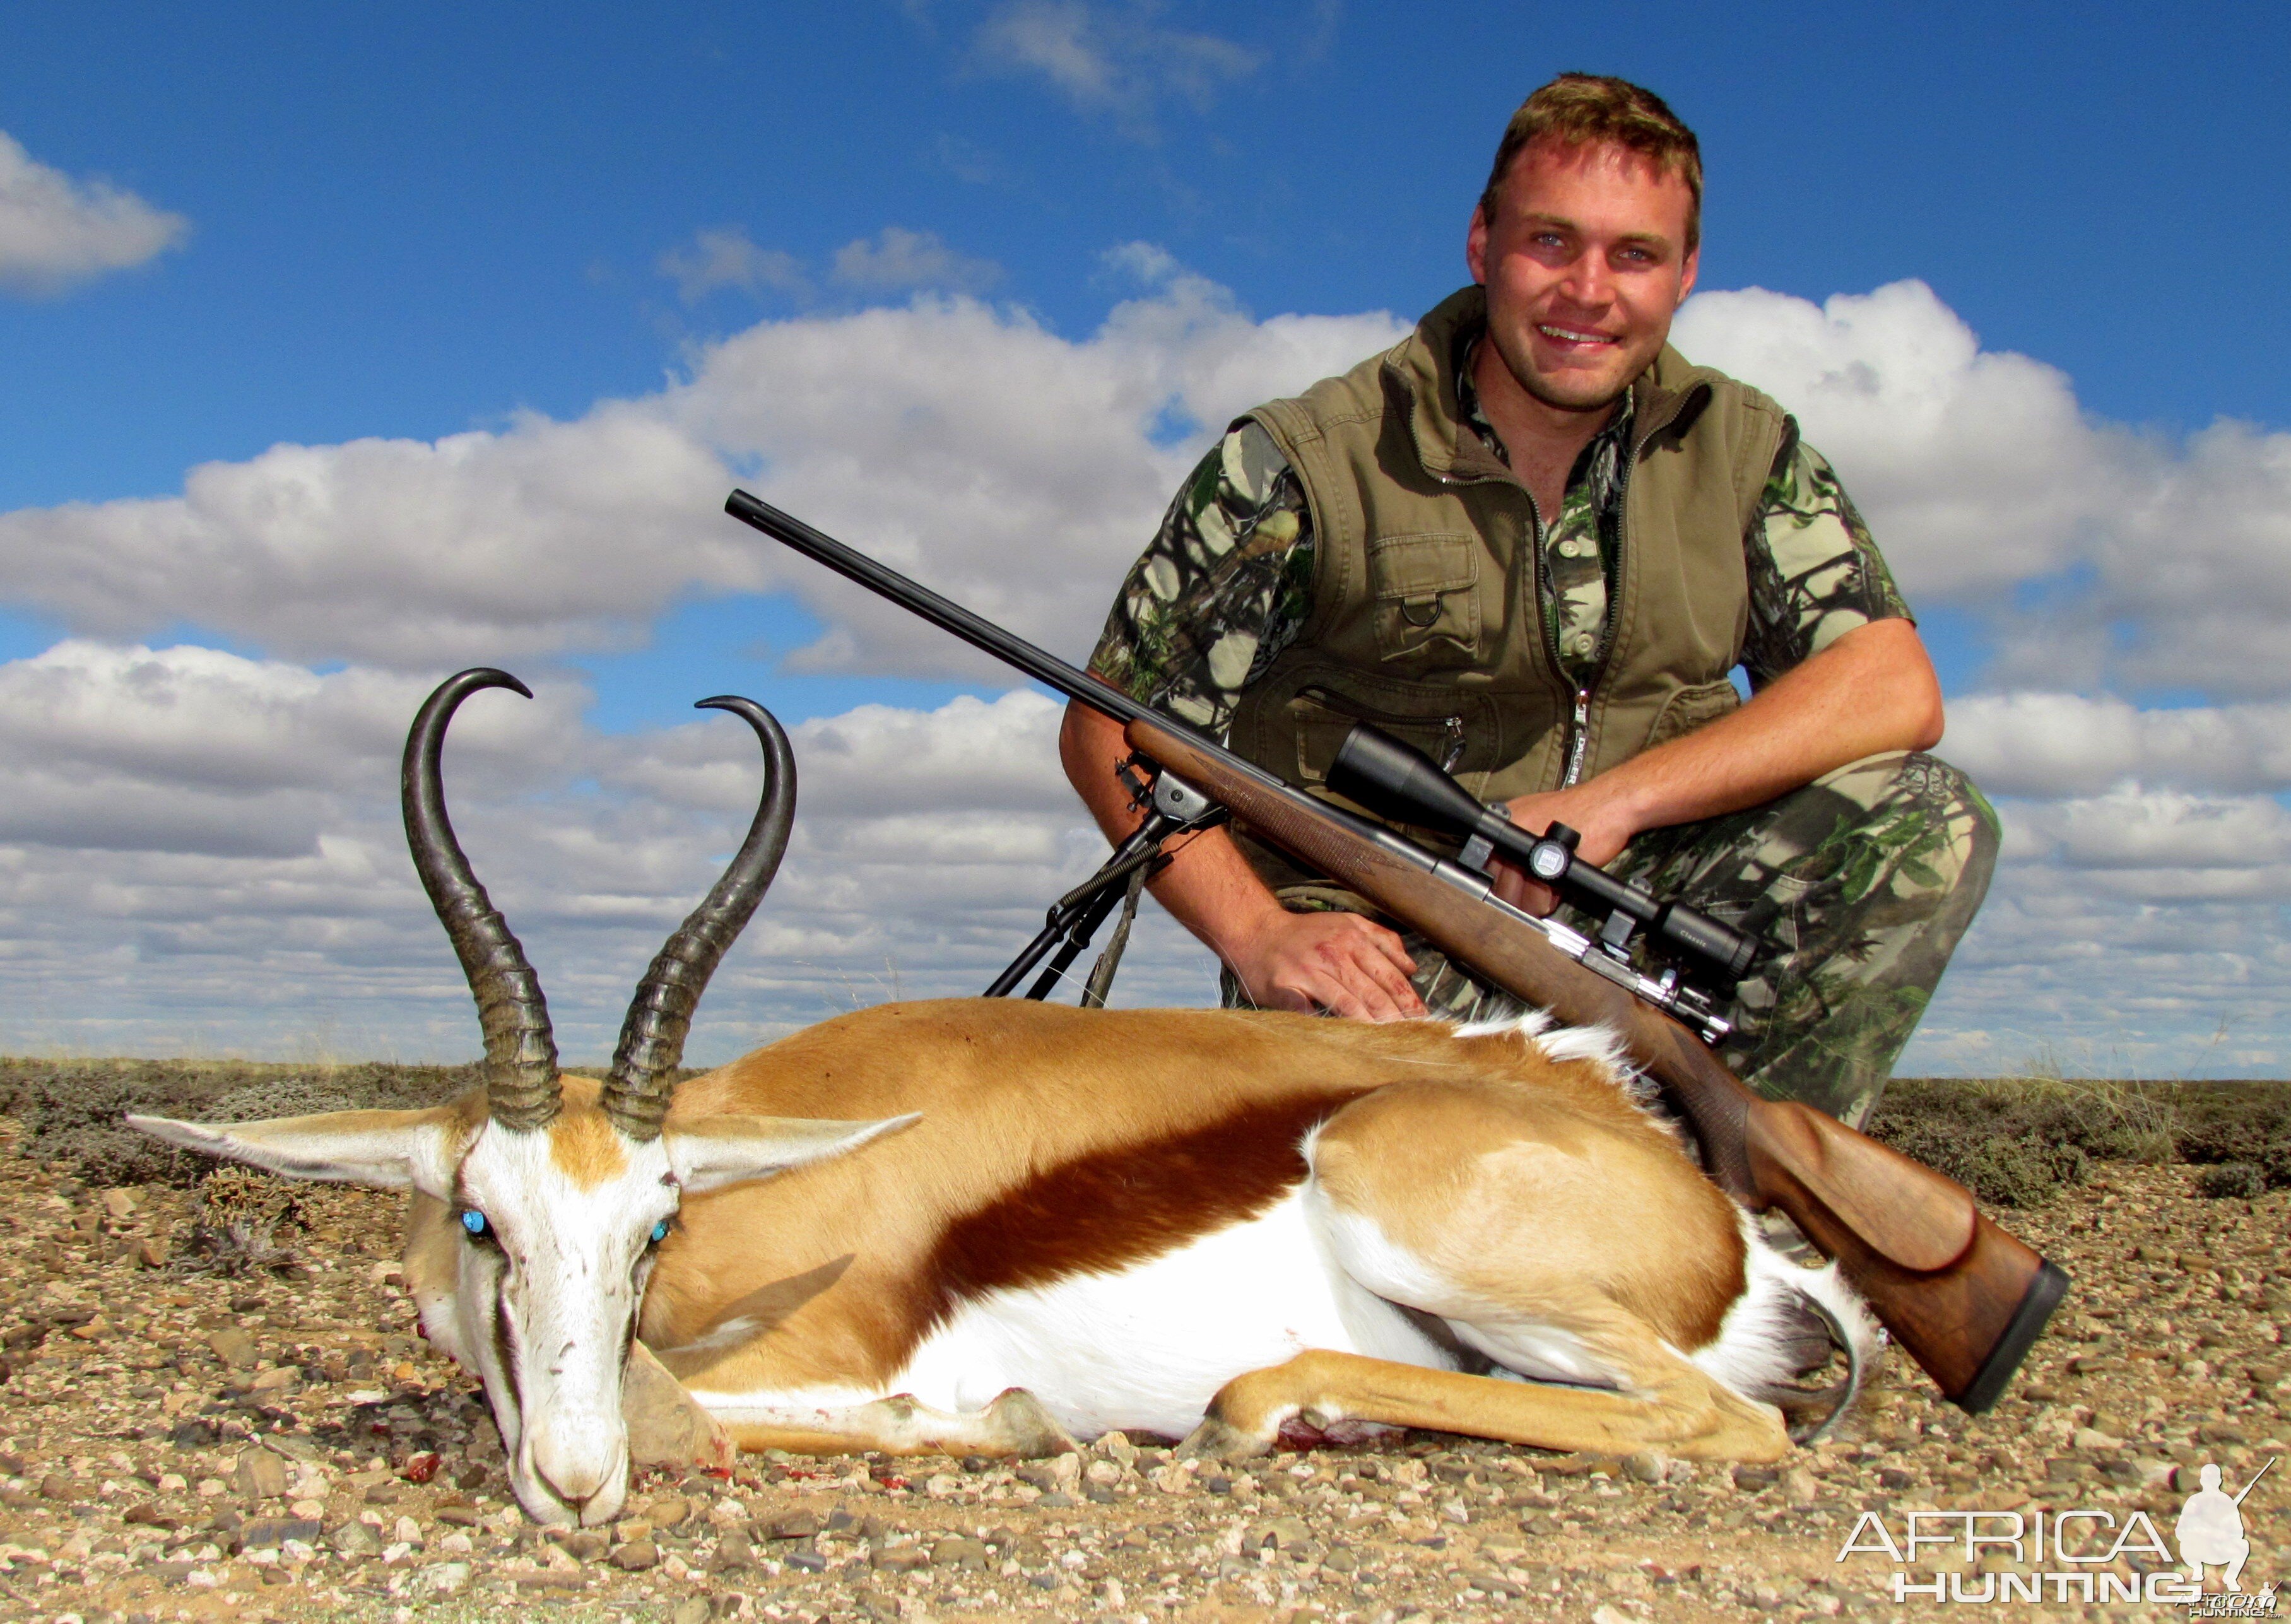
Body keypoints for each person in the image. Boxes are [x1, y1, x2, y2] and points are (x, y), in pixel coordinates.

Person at [1061, 73, 1996, 1129]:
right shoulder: (1301, 459)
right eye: (1552, 243)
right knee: (1426, 1200)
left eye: (1633, 254)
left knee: (1926, 815)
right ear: (1482, 243)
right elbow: (1109, 728)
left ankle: (1763, 1207)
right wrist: (1260, 934)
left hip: (1646, 912)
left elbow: (1891, 681)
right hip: (1382, 938)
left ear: (1686, 273)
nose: (1587, 290)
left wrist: (1616, 805)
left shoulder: (1745, 448)